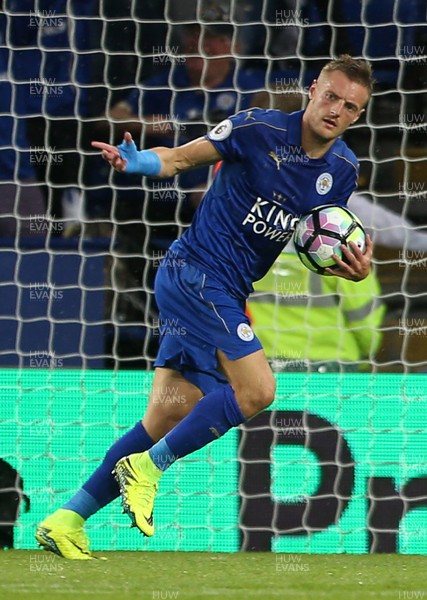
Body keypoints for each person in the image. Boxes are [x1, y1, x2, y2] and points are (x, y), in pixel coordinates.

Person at [36, 55, 374, 559]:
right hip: (194, 272)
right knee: (257, 389)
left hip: (228, 289)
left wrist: (352, 268)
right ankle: (148, 468)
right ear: (311, 90)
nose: (336, 110)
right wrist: (138, 162)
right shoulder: (256, 127)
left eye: (350, 107)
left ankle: (65, 521)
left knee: (166, 416)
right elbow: (178, 158)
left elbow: (314, 239)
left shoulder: (342, 170)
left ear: (358, 116)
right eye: (331, 96)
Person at [248, 242, 386, 373]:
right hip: (332, 365)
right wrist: (364, 359)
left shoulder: (242, 256)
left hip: (261, 364)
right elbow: (366, 323)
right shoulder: (342, 258)